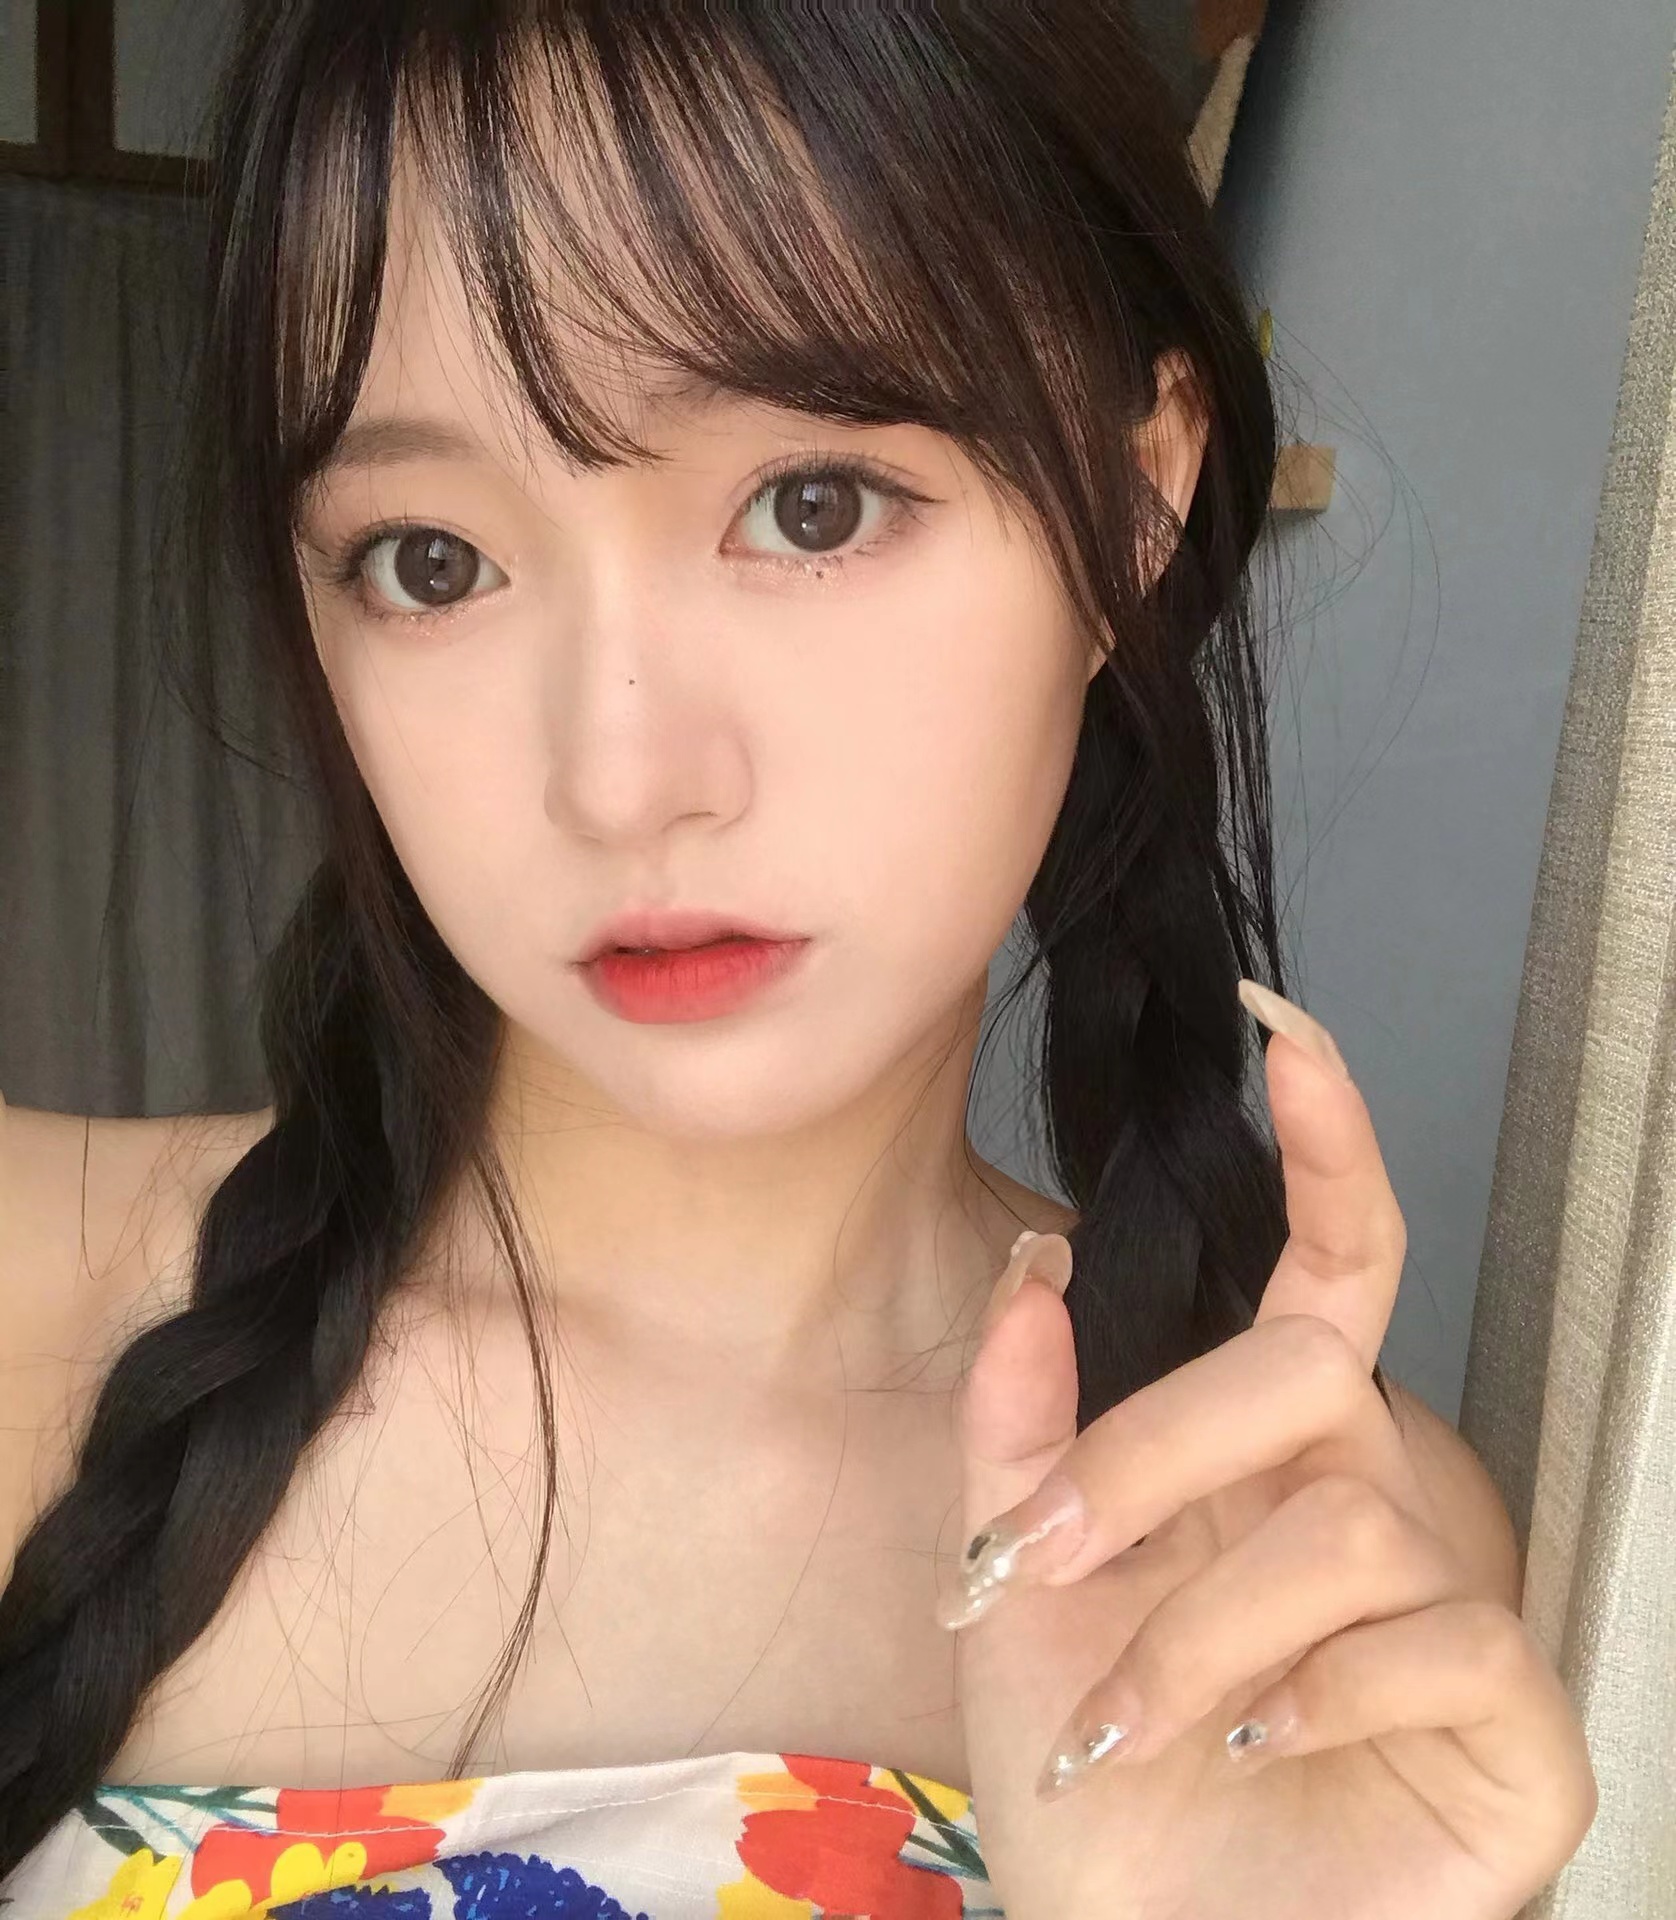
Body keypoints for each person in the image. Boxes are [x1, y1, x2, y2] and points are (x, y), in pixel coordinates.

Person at [0, 2, 1595, 1913]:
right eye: (430, 560)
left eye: (809, 507)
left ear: (1138, 504)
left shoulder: (1315, 1554)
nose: (621, 778)